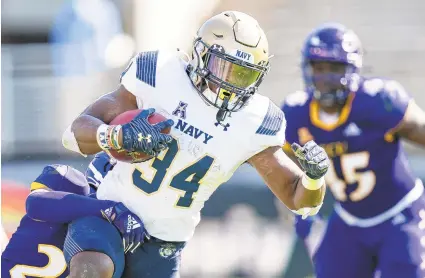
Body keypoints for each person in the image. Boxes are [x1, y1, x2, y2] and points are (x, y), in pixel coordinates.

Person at [62, 11, 330, 277]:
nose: (229, 86)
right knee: (92, 269)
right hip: (109, 214)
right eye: (223, 68)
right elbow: (73, 135)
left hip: (163, 244)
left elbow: (302, 201)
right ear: (201, 54)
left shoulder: (254, 121)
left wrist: (314, 178)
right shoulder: (161, 74)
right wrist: (116, 136)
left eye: (242, 76)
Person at [282, 22, 425, 278]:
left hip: (400, 214)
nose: (326, 77)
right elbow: (284, 177)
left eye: (335, 68)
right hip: (348, 218)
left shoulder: (378, 101)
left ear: (352, 69)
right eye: (319, 67)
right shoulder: (295, 114)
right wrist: (300, 216)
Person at [1, 164, 146, 278]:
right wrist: (112, 210)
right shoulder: (75, 186)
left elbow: (35, 203)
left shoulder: (123, 217)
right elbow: (35, 203)